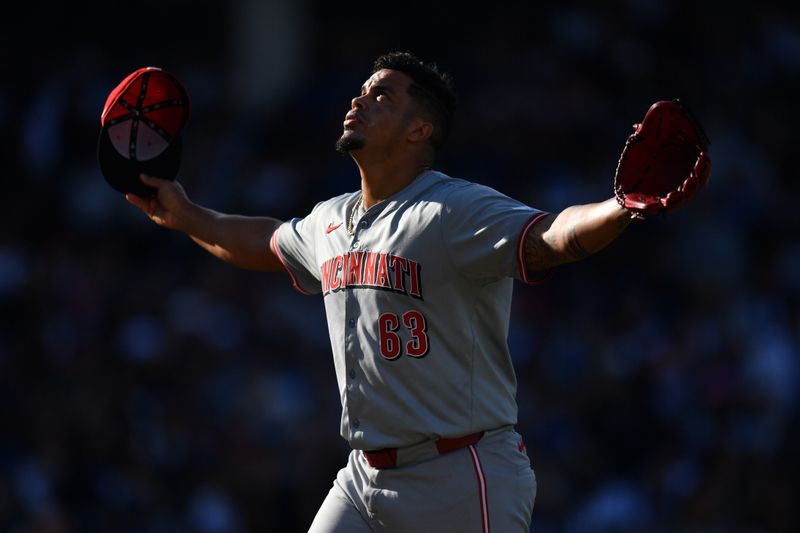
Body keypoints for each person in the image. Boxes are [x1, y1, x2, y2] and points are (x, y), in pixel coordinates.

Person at [126, 51, 635, 532]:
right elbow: (262, 241)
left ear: (420, 130)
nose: (359, 100)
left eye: (382, 96)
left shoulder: (452, 209)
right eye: (363, 91)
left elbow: (552, 236)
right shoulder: (330, 220)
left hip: (460, 470)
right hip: (363, 475)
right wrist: (185, 215)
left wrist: (623, 205)